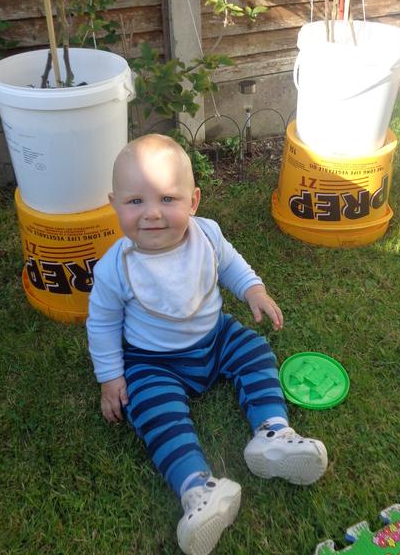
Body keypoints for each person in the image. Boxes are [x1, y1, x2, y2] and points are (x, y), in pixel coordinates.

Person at [87, 134, 328, 555]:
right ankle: (198, 489)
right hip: (153, 361)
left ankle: (273, 432)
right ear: (114, 204)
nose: (152, 213)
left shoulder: (207, 235)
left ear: (194, 201)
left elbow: (231, 265)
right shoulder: (115, 268)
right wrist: (111, 377)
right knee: (151, 405)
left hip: (216, 337)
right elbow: (102, 324)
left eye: (167, 199)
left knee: (254, 352)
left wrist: (253, 290)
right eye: (135, 201)